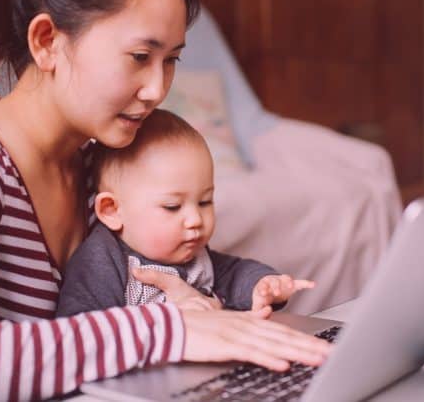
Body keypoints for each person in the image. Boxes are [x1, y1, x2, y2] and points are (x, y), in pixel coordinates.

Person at [0, 0, 330, 400]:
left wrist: (196, 307)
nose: (157, 90)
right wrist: (162, 329)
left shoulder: (106, 169)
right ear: (48, 41)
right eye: (139, 56)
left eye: (171, 60)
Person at [57, 109, 314, 317]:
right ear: (112, 211)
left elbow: (234, 273)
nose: (195, 220)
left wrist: (263, 285)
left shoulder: (195, 255)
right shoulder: (103, 260)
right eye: (172, 207)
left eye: (204, 202)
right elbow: (81, 330)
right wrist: (167, 319)